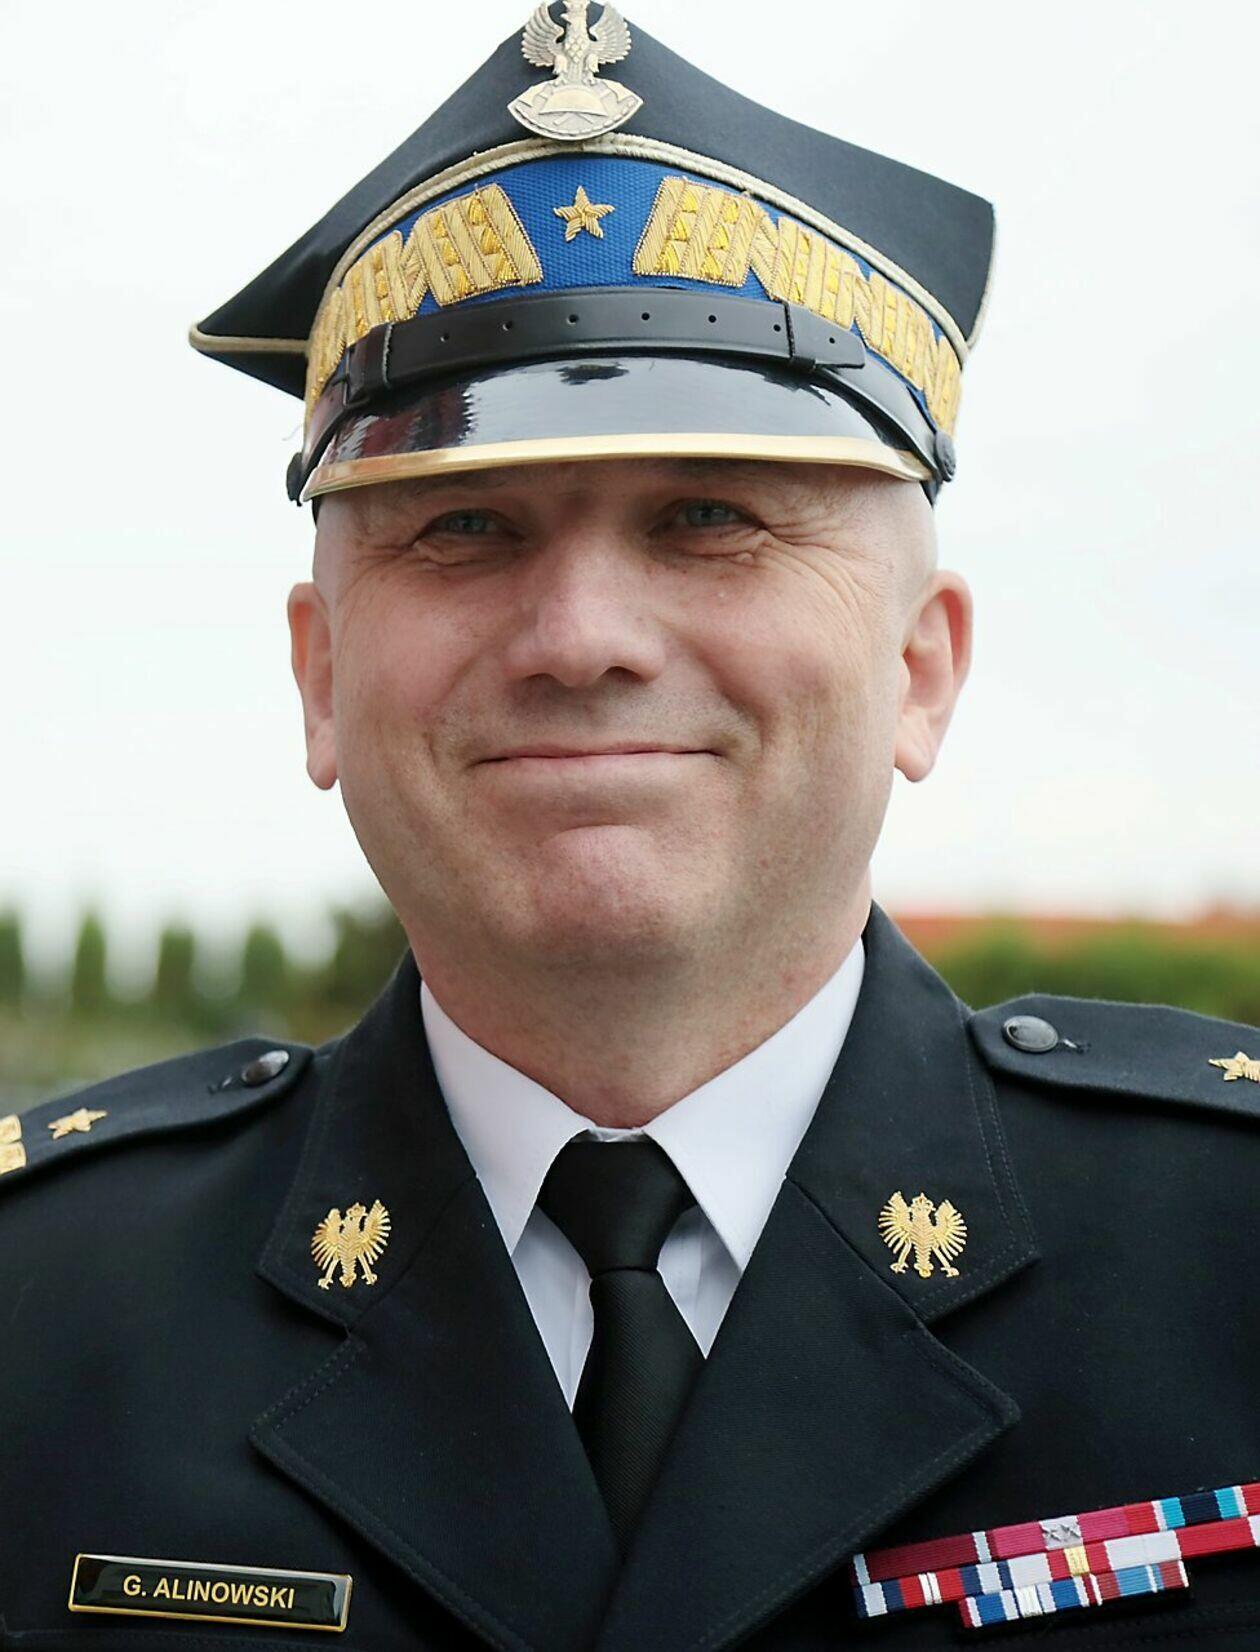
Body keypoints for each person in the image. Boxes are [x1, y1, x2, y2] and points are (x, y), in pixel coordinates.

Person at [3, 9, 1258, 1649]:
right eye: (464, 526)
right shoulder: (40, 1307)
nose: (582, 636)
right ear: (320, 679)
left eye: (708, 518)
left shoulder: (1229, 1257)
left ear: (919, 668)